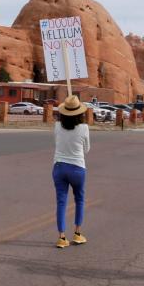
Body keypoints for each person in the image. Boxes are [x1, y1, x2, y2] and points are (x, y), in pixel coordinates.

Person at [53, 94, 91, 248]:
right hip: (77, 168)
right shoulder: (84, 128)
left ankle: (62, 237)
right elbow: (86, 149)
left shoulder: (57, 126)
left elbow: (57, 142)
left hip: (59, 166)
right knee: (79, 200)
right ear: (79, 112)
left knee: (61, 202)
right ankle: (77, 233)